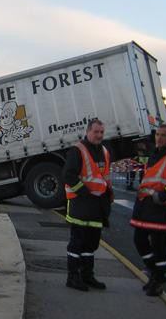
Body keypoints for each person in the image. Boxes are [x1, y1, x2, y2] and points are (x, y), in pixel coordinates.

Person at [130, 124, 166, 296]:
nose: (159, 138)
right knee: (139, 239)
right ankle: (153, 271)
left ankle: (158, 279)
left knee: (159, 245)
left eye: (163, 135)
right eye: (158, 135)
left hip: (160, 208)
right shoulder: (154, 155)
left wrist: (162, 196)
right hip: (145, 206)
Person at [64, 118, 114, 291]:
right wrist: (84, 194)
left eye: (101, 132)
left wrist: (107, 198)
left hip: (97, 206)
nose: (99, 135)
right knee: (77, 243)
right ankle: (72, 277)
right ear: (88, 132)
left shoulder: (105, 152)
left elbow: (105, 178)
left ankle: (87, 276)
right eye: (96, 132)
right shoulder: (77, 150)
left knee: (91, 244)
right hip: (81, 204)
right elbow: (69, 176)